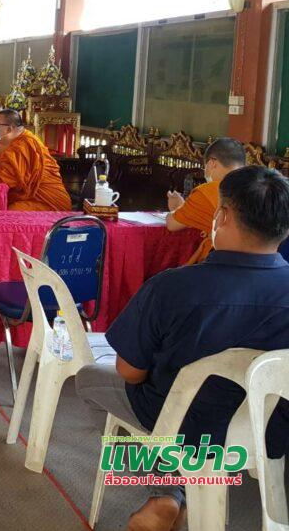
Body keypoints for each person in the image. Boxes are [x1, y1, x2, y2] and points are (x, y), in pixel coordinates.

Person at [75, 165, 289, 531]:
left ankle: (167, 491)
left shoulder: (171, 287)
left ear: (222, 217)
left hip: (182, 426)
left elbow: (129, 371)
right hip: (266, 429)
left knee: (88, 379)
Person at [165, 137, 245, 265]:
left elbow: (172, 224)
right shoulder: (257, 188)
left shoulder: (208, 191)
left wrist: (177, 206)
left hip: (221, 261)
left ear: (212, 163)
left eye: (205, 166)